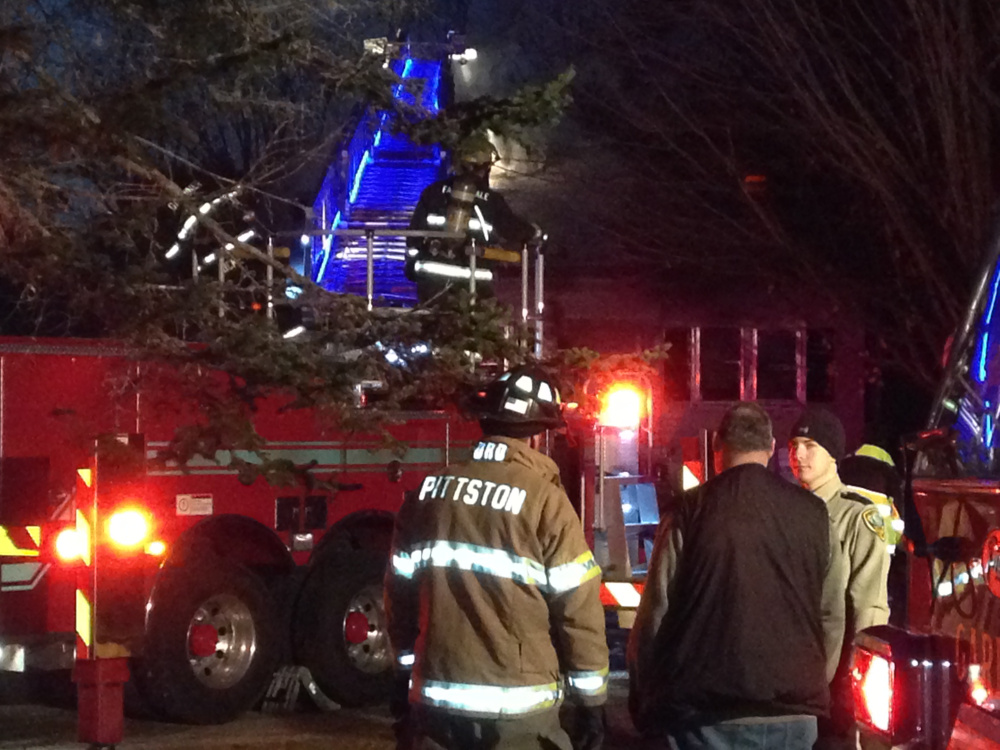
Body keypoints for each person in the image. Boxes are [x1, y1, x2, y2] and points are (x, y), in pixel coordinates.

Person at [384, 365, 609, 750]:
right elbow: (578, 607)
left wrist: (404, 675)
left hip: (434, 705)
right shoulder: (544, 501)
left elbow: (399, 594)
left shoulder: (428, 492)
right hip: (517, 712)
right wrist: (591, 701)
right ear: (539, 436)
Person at [628, 402, 847, 750]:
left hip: (704, 716)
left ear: (718, 445)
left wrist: (645, 694)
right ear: (772, 446)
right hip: (794, 717)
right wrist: (811, 683)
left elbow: (656, 613)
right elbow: (832, 615)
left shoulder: (690, 512)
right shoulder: (816, 515)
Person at [788, 409, 891, 750]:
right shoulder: (785, 508)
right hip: (788, 674)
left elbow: (869, 605)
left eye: (810, 445)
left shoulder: (856, 516)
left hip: (835, 682)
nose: (798, 454)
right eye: (793, 445)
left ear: (833, 454)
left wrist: (856, 682)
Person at [406, 133, 539, 304]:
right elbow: (512, 229)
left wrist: (411, 265)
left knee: (432, 325)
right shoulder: (491, 200)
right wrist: (534, 232)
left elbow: (414, 235)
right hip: (474, 286)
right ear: (485, 166)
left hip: (431, 283)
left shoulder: (433, 192)